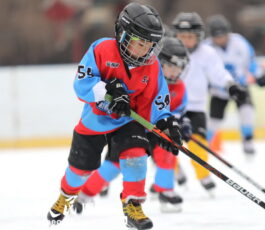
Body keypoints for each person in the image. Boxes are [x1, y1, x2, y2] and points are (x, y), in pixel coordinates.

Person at [46, 3, 183, 230]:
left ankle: (133, 206)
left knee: (136, 157)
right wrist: (109, 93)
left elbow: (157, 99)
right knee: (80, 171)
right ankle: (66, 195)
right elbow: (82, 84)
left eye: (150, 44)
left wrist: (165, 123)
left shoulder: (151, 65)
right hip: (95, 121)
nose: (145, 50)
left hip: (129, 121)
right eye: (140, 43)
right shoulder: (101, 49)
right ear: (123, 34)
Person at [72, 37, 191, 214]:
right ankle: (85, 193)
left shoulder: (178, 87)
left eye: (180, 67)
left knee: (167, 152)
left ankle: (164, 189)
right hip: (133, 129)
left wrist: (178, 125)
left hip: (154, 130)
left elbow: (176, 110)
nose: (176, 72)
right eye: (172, 66)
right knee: (114, 166)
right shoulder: (146, 73)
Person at [172, 12, 246, 193]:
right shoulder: (168, 50)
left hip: (196, 107)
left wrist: (231, 85)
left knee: (198, 143)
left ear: (199, 36)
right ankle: (172, 172)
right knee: (167, 145)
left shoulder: (207, 53)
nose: (186, 41)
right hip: (170, 107)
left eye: (190, 36)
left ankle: (203, 175)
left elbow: (218, 73)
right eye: (182, 36)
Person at [203, 15, 265, 155]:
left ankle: (248, 141)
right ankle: (204, 146)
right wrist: (206, 83)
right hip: (219, 90)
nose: (220, 39)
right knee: (214, 121)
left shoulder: (240, 43)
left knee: (247, 111)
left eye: (222, 35)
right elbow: (201, 68)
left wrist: (260, 76)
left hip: (240, 87)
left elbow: (251, 61)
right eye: (217, 36)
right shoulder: (206, 47)